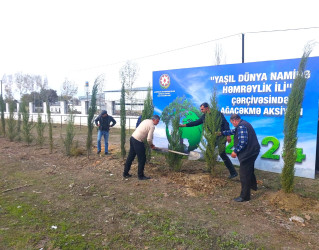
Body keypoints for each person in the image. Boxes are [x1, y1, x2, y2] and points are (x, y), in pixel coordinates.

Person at [179, 102, 238, 179]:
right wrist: (184, 125)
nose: (201, 111)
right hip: (213, 137)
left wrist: (228, 135)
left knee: (222, 153)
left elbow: (225, 123)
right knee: (208, 153)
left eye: (202, 109)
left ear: (207, 108)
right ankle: (209, 169)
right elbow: (197, 122)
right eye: (201, 109)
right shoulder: (204, 116)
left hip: (221, 136)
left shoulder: (217, 113)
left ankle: (233, 172)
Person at [221, 114, 260, 202]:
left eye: (232, 123)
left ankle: (245, 196)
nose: (233, 124)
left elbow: (243, 141)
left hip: (249, 153)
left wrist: (235, 151)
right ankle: (253, 186)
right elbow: (234, 131)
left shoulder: (242, 126)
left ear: (235, 120)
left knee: (244, 174)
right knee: (249, 170)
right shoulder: (243, 124)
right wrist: (222, 133)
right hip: (253, 151)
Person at [123, 115, 160, 180]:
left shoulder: (146, 120)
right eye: (157, 121)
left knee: (130, 157)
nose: (158, 123)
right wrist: (151, 145)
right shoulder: (152, 126)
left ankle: (125, 173)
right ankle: (141, 176)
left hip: (133, 138)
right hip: (138, 141)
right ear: (154, 120)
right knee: (142, 159)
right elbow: (149, 139)